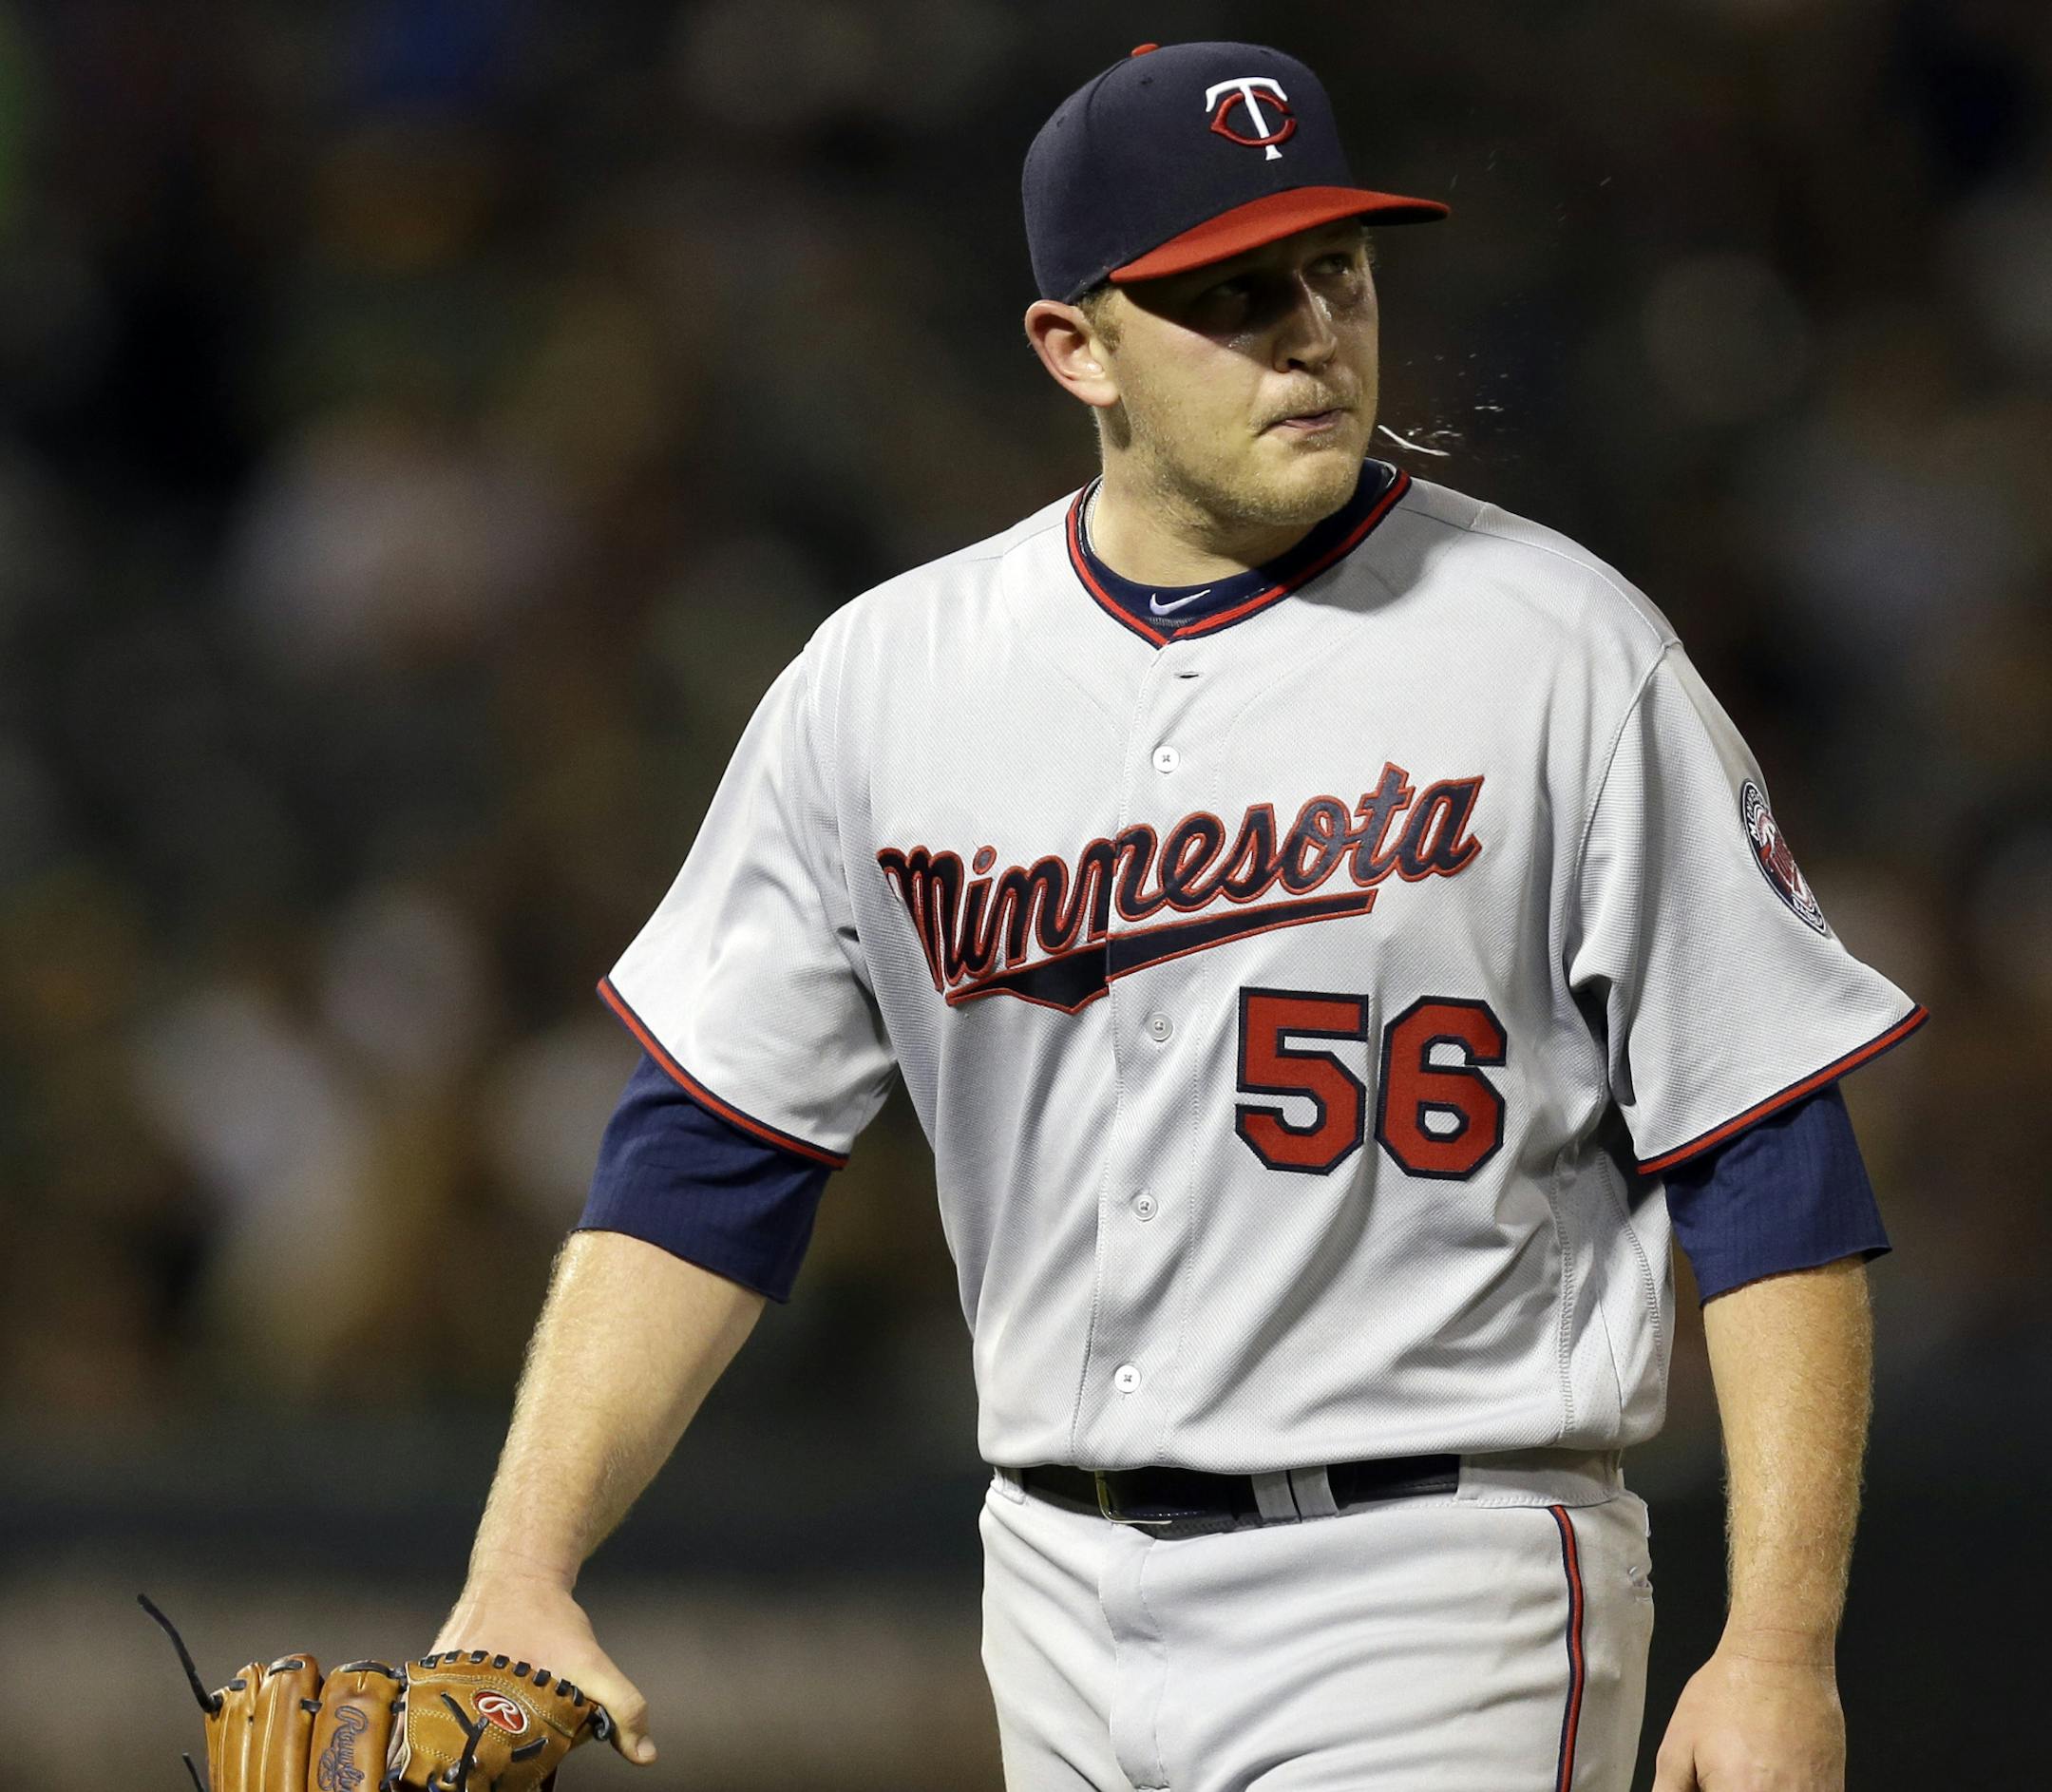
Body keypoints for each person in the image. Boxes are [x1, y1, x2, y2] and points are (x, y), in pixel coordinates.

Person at [431, 40, 1925, 1792]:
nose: (1312, 333)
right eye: (1231, 294)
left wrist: (1781, 1644)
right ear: (1078, 348)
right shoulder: (885, 683)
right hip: (1052, 1588)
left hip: (1438, 1584)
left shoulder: (1563, 652)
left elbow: (1767, 1149)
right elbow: (708, 1149)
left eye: (1336, 272)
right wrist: (521, 1565)